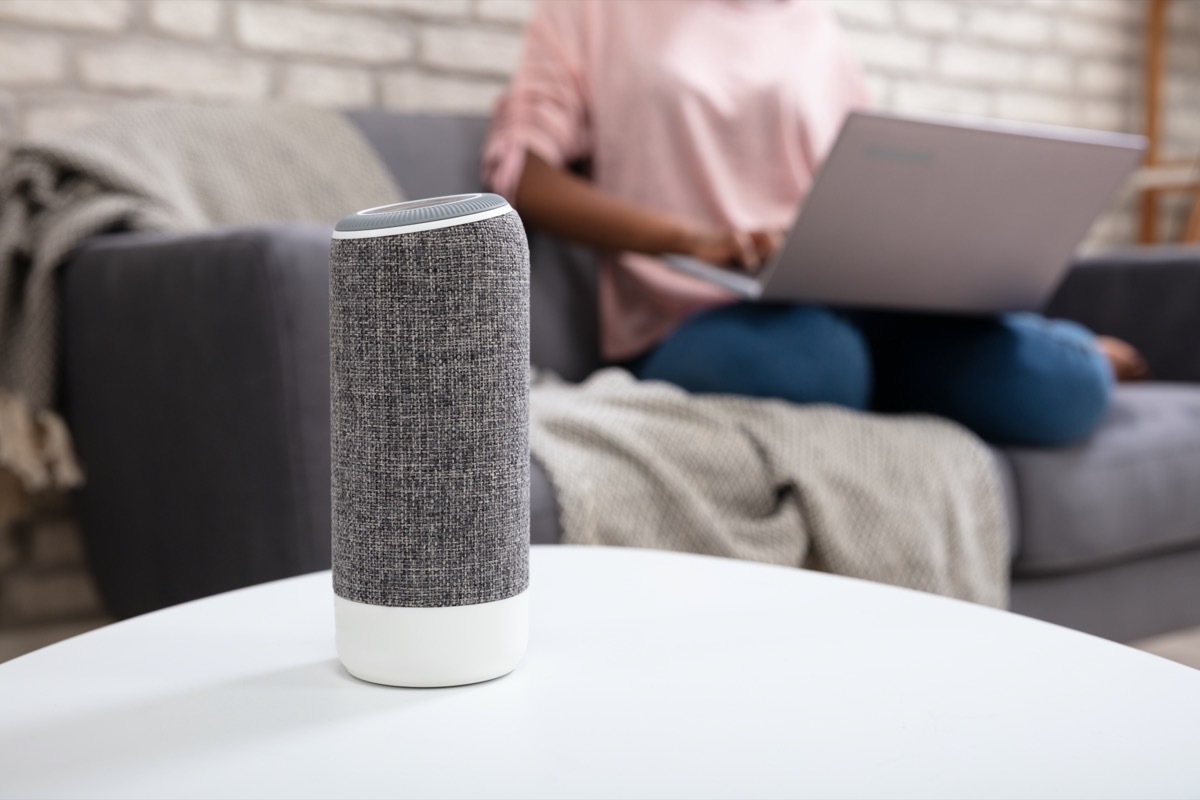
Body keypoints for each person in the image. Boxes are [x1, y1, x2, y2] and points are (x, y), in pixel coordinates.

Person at [483, 0, 1146, 446]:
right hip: (694, 316)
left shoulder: (814, 27)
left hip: (843, 294)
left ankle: (1046, 350)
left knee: (1064, 389)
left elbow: (866, 179)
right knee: (813, 365)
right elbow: (524, 176)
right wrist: (690, 241)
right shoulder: (594, 12)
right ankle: (920, 374)